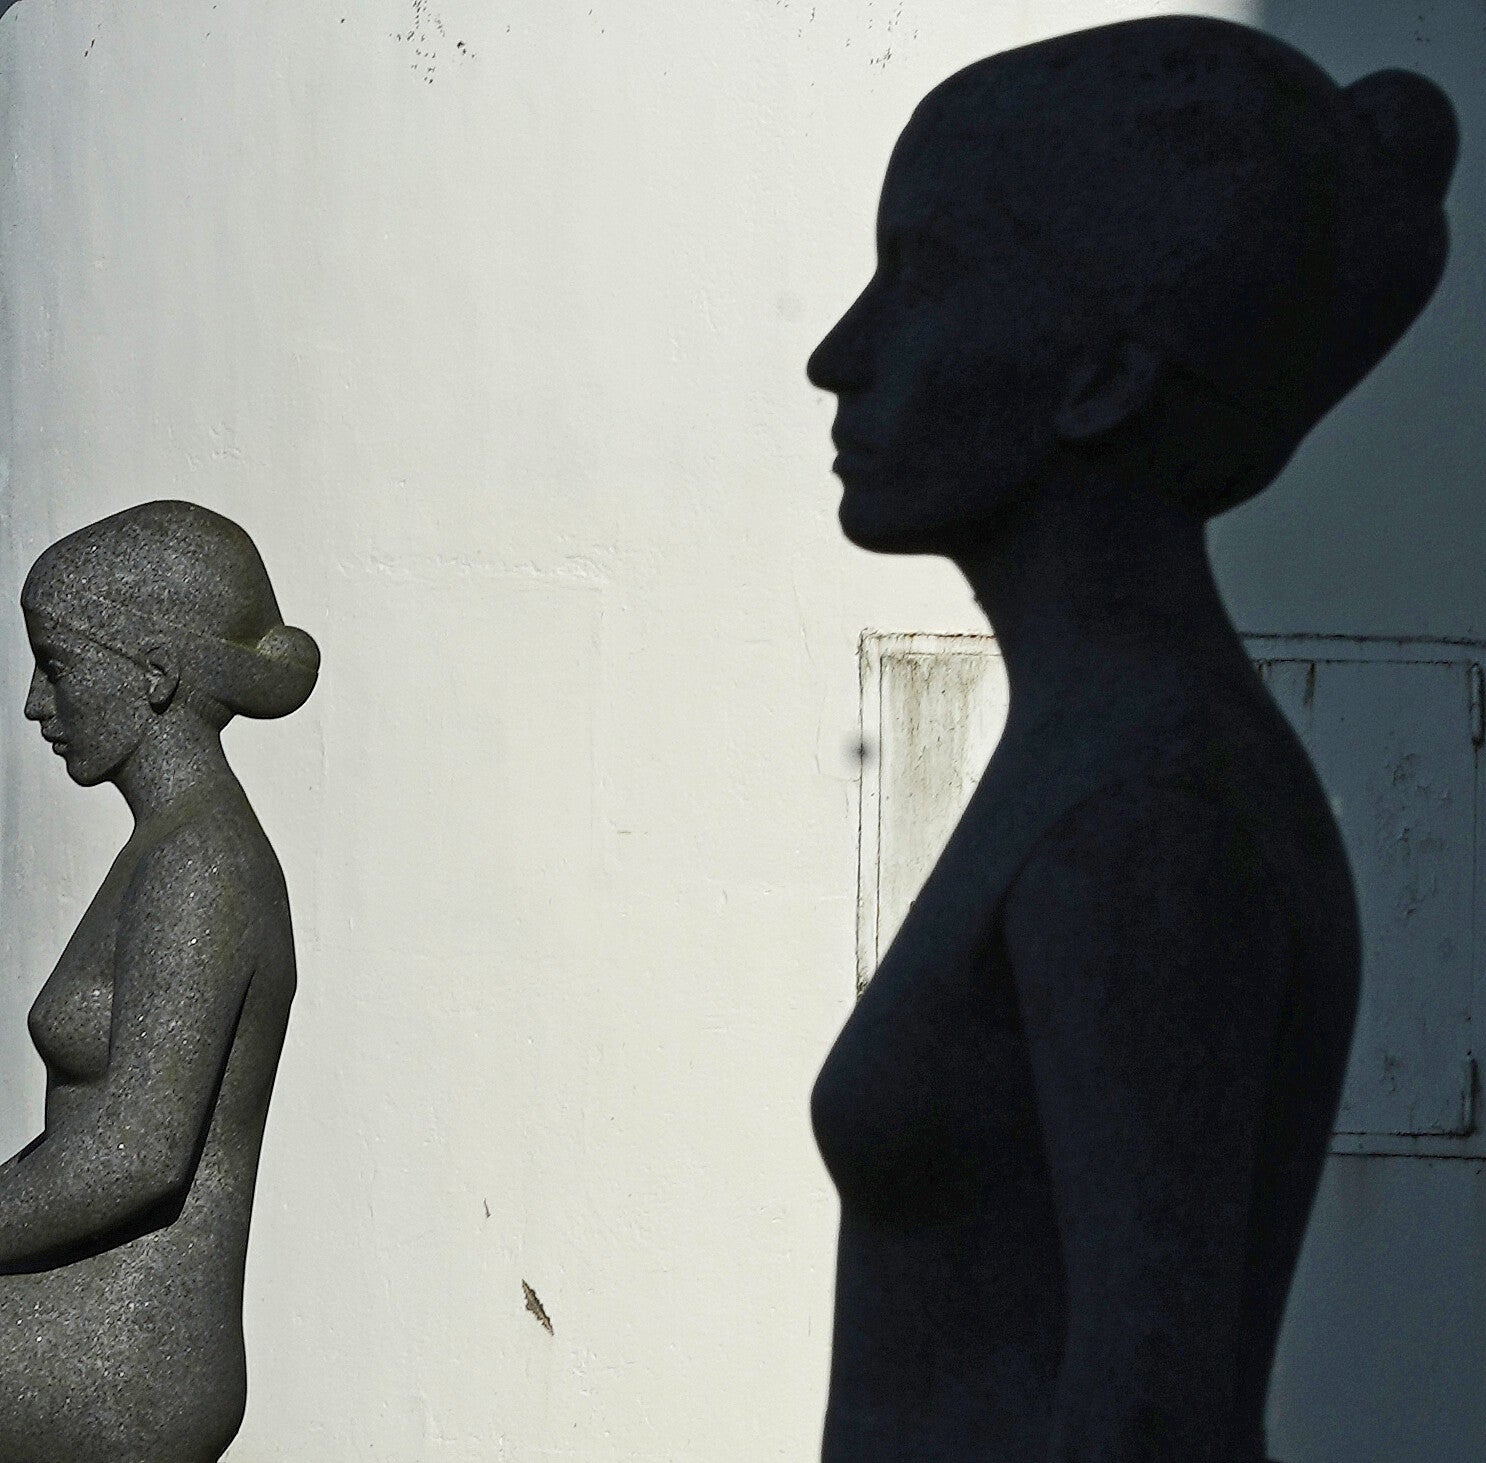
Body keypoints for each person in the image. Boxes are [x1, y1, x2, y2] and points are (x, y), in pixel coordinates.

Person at [806, 18, 1455, 1462]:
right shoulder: (1114, 769)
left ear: (1101, 378)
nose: (836, 355)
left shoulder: (1146, 812)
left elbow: (1151, 1417)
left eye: (923, 275)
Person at [0, 500, 318, 1463]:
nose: (36, 703)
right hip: (91, 1312)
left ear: (154, 672)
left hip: (131, 1347)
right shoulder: (168, 847)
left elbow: (137, 1152)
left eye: (58, 666)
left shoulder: (202, 863)